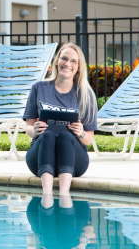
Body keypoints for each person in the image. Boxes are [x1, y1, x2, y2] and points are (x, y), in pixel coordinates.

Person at [24, 42, 97, 200]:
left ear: (78, 67)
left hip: (74, 159)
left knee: (66, 136)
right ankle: (47, 195)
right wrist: (34, 130)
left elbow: (89, 140)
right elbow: (28, 128)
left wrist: (81, 132)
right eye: (64, 58)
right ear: (57, 60)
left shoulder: (85, 94)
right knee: (48, 135)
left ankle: (64, 195)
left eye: (73, 61)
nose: (68, 64)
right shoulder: (39, 88)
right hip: (40, 156)